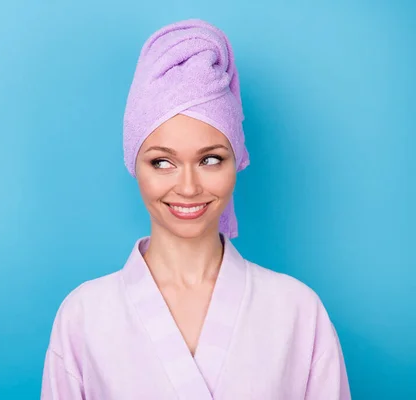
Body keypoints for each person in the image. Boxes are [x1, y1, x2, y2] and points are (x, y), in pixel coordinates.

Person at [41, 19, 350, 399]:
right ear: (133, 164)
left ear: (236, 161)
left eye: (210, 160)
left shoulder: (298, 311)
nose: (188, 188)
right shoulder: (83, 316)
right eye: (162, 162)